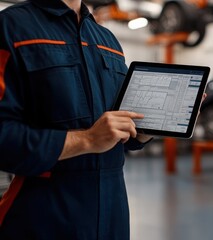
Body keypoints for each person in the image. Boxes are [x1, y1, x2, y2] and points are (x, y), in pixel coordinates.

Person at [0, 0, 153, 239]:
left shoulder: (107, 40)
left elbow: (121, 131)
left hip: (114, 217)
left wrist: (149, 129)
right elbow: (3, 139)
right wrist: (87, 140)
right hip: (43, 219)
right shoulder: (11, 27)